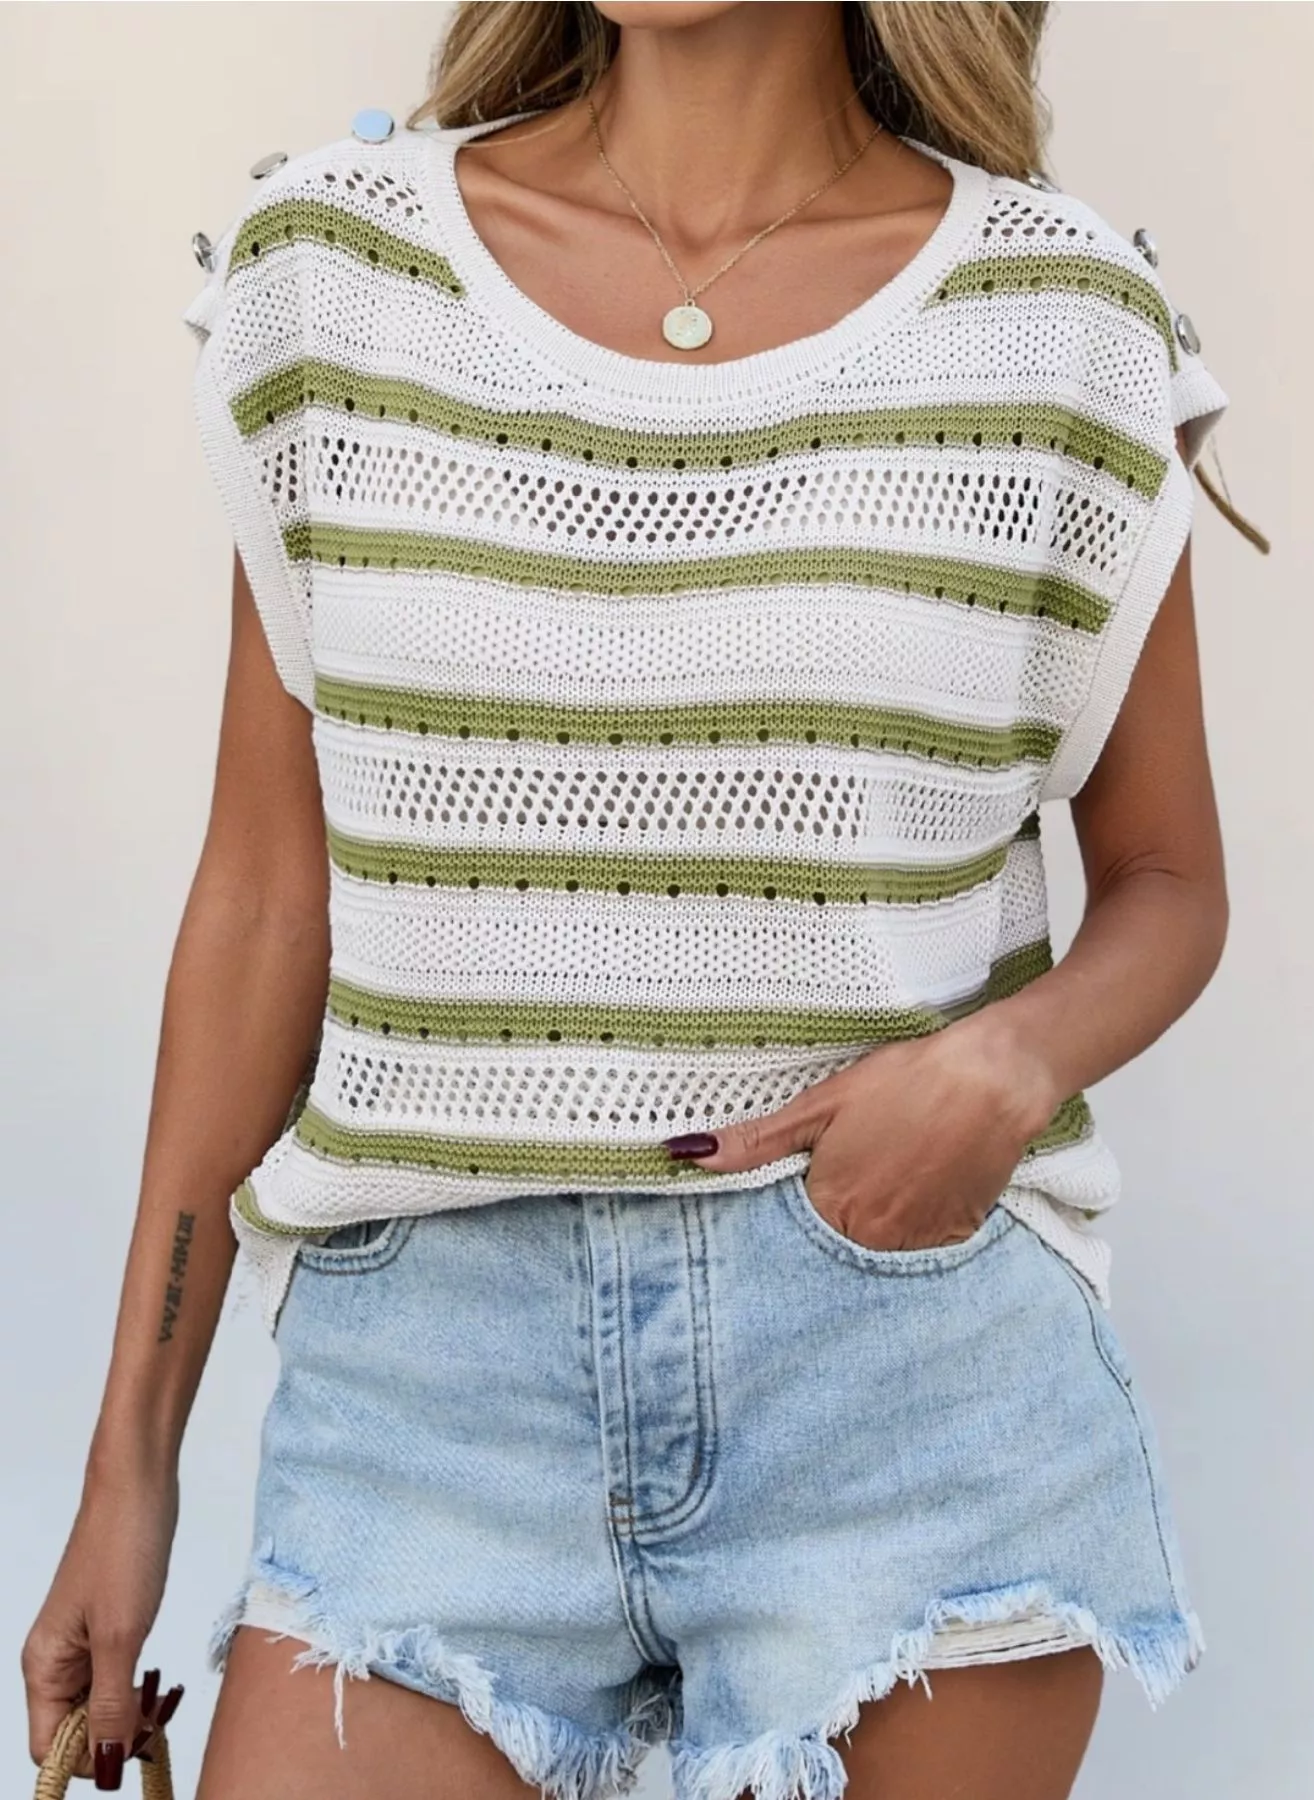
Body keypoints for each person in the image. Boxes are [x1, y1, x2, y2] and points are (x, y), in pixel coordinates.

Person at [23, 4, 1247, 1796]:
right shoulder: (335, 274)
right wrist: (127, 1461)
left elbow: (1166, 878)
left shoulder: (1060, 322)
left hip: (902, 1373)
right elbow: (268, 900)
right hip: (426, 1384)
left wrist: (1006, 1062)